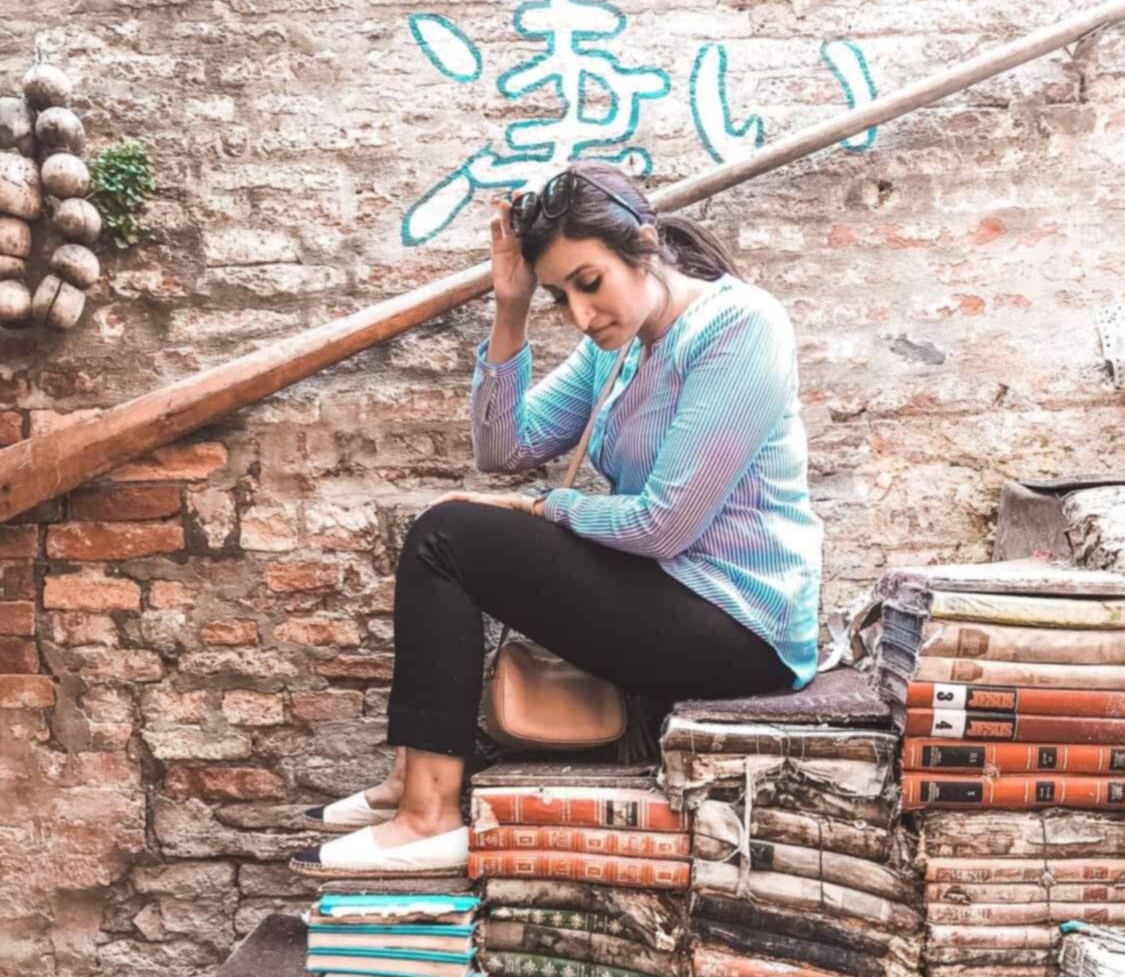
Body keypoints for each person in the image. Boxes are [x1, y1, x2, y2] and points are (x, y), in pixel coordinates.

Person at [293, 159, 823, 877]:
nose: (580, 313)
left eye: (590, 282)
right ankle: (414, 781)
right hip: (668, 590)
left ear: (642, 243)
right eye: (559, 296)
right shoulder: (615, 349)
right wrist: (509, 309)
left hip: (741, 625)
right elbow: (503, 447)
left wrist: (549, 506)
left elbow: (665, 524)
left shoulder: (739, 327)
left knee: (447, 538)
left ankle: (427, 812)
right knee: (448, 526)